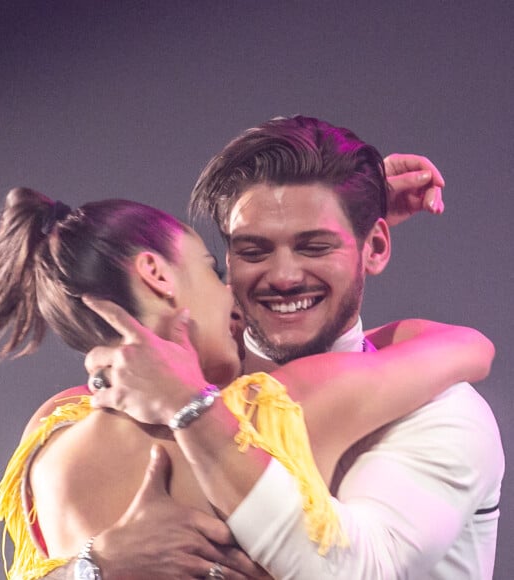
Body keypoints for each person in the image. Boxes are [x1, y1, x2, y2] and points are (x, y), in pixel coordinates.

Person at [0, 184, 493, 580]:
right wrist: (348, 233)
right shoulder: (277, 405)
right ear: (157, 275)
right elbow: (467, 348)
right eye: (213, 269)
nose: (235, 300)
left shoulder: (51, 433)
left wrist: (94, 568)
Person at [81, 116, 504, 579]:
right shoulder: (146, 395)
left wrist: (190, 410)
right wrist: (93, 567)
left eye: (315, 247)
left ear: (375, 248)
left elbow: (362, 571)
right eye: (254, 251)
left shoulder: (442, 410)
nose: (283, 277)